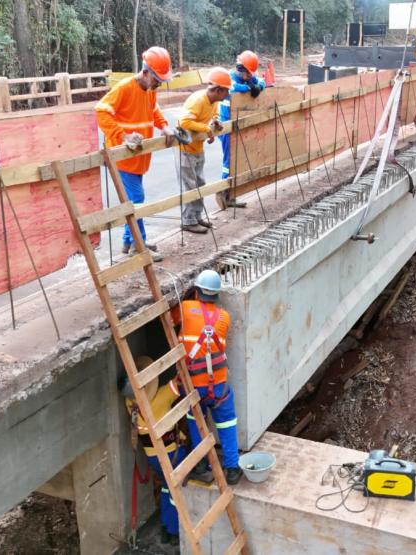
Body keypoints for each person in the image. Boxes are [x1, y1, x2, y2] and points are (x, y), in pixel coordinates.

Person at [95, 46, 177, 260]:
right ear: (146, 72)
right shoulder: (124, 88)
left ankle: (128, 240)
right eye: (157, 78)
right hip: (123, 155)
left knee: (132, 199)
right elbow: (102, 111)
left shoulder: (150, 90)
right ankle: (138, 245)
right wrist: (123, 136)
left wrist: (165, 126)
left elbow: (153, 110)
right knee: (136, 199)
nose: (159, 83)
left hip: (139, 156)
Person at [176, 270, 242, 485]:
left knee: (196, 423)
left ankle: (202, 466)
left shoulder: (184, 309)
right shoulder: (225, 317)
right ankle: (232, 469)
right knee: (226, 424)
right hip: (219, 385)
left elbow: (170, 320)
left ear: (197, 290)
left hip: (194, 386)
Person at [119, 357, 187, 546]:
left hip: (153, 458)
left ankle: (165, 526)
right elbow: (180, 382)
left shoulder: (131, 404)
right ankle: (173, 531)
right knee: (175, 493)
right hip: (173, 456)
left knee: (167, 487)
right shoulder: (160, 399)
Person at [177, 68, 230, 234]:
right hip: (185, 148)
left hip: (198, 147)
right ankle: (188, 220)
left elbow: (213, 117)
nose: (227, 95)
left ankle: (197, 216)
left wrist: (215, 123)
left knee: (199, 183)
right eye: (226, 91)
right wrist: (206, 129)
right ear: (218, 89)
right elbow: (183, 121)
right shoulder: (198, 100)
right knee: (189, 186)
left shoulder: (213, 102)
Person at [217, 50, 265, 210]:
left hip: (238, 125)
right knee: (229, 161)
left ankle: (232, 195)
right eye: (248, 74)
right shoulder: (229, 79)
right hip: (226, 126)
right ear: (241, 69)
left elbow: (263, 82)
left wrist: (257, 85)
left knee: (237, 160)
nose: (250, 77)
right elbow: (231, 87)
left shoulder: (249, 78)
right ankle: (224, 193)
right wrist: (247, 87)